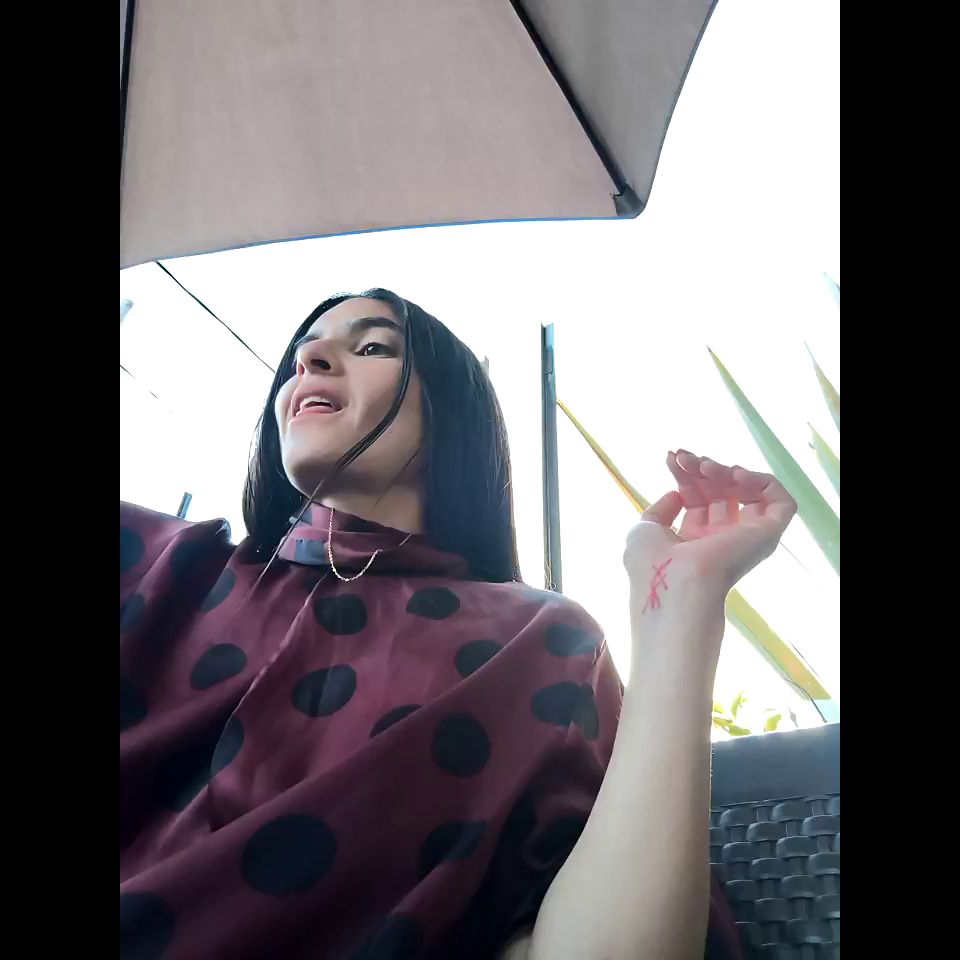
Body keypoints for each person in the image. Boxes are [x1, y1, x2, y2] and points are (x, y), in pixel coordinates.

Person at [120, 289, 796, 960]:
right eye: (304, 353)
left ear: (451, 412)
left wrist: (679, 609)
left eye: (372, 346)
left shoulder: (536, 643)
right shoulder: (165, 562)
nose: (311, 358)